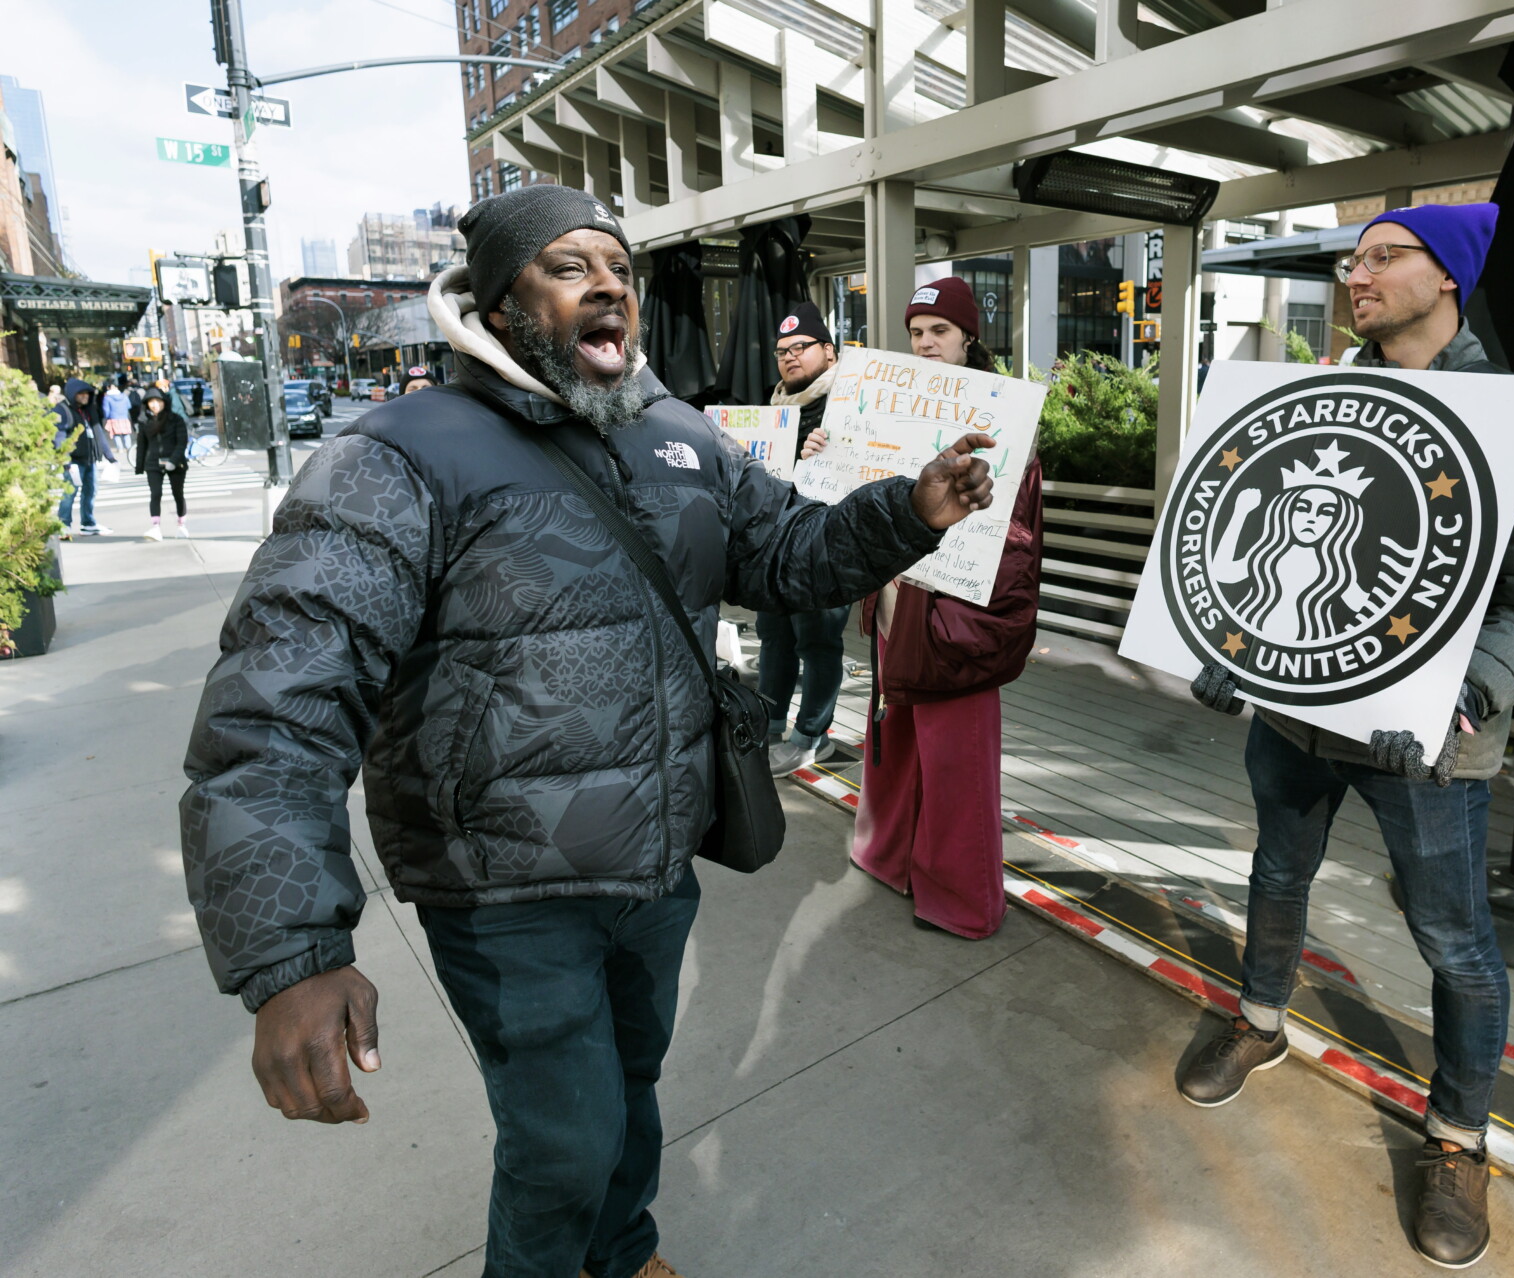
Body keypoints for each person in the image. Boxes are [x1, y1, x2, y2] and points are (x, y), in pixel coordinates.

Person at [179, 184, 997, 1278]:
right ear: (498, 300)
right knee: (563, 1146)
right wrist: (289, 955)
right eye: (570, 267)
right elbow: (275, 705)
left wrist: (910, 511)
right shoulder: (395, 457)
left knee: (632, 1091)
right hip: (504, 893)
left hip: (655, 868)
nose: (609, 284)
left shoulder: (680, 435)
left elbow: (788, 552)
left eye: (620, 268)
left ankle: (624, 1254)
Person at [1178, 203, 1514, 1270]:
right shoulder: (1316, 401)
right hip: (1293, 721)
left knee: (1455, 943)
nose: (1354, 275)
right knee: (1277, 874)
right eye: (1350, 259)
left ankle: (1458, 1138)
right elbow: (1251, 552)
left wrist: (1461, 702)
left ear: (1447, 277)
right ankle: (1261, 1019)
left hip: (1429, 747)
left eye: (1382, 257)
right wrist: (1231, 647)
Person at [840, 276, 1042, 939]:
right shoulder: (892, 407)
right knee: (895, 741)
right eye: (917, 332)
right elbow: (857, 493)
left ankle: (963, 900)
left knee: (959, 764)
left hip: (956, 614)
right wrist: (826, 456)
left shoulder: (1007, 419)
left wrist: (973, 626)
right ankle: (889, 857)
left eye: (940, 331)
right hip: (899, 598)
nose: (925, 344)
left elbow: (1014, 540)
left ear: (968, 338)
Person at [760, 301, 848, 775]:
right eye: (781, 351)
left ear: (829, 353)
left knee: (817, 640)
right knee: (773, 635)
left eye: (801, 347)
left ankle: (813, 736)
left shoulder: (850, 403)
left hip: (826, 545)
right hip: (774, 544)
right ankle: (768, 725)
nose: (790, 357)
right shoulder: (772, 409)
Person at [53, 378, 115, 537]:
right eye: (81, 393)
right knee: (69, 494)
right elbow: (59, 437)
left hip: (89, 459)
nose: (85, 396)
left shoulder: (89, 410)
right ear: (73, 394)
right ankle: (63, 525)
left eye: (87, 393)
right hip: (73, 461)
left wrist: (110, 456)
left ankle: (88, 523)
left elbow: (98, 432)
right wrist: (65, 460)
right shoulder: (63, 410)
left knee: (90, 491)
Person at [135, 388, 190, 540]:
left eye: (158, 401)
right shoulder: (144, 421)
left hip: (175, 462)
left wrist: (173, 460)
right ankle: (155, 528)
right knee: (155, 494)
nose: (155, 405)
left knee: (178, 494)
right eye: (151, 402)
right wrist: (139, 466)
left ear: (164, 402)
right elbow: (142, 445)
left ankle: (181, 525)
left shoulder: (176, 419)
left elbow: (182, 442)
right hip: (153, 463)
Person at [102, 377, 133, 454]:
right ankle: (129, 448)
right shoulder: (124, 396)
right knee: (126, 434)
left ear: (108, 388)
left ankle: (120, 448)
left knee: (116, 434)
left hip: (113, 418)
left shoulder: (107, 398)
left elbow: (106, 410)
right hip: (124, 417)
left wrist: (107, 418)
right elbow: (129, 406)